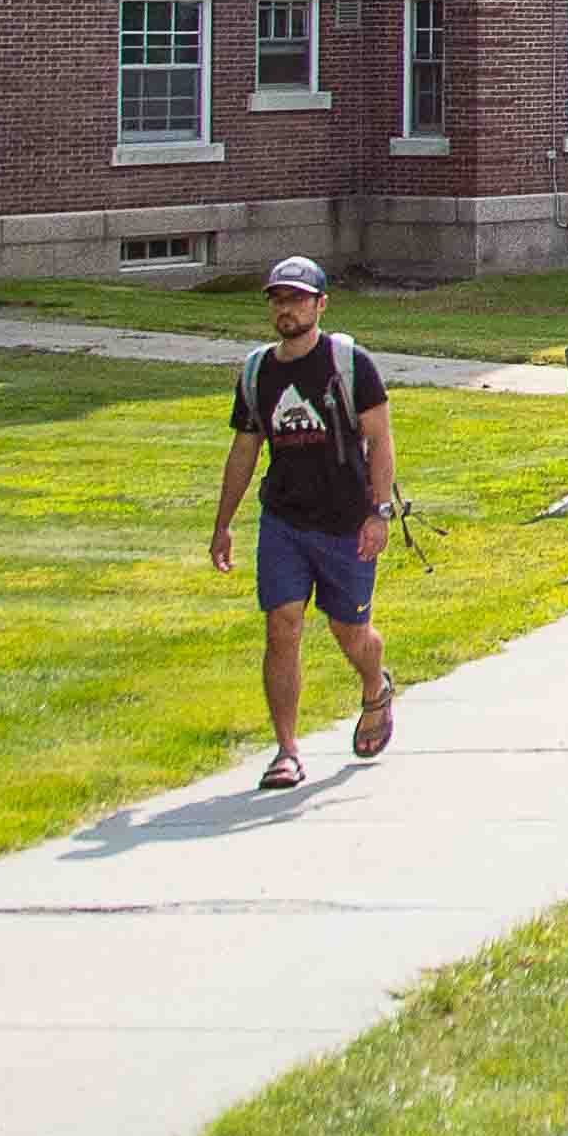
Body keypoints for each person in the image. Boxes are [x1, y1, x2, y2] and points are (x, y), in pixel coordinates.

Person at [205, 254, 396, 790]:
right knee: (281, 626)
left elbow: (380, 440)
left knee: (351, 633)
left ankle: (375, 687)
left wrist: (378, 513)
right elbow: (244, 449)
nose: (286, 309)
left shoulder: (350, 363)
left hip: (345, 521)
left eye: (297, 299)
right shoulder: (258, 372)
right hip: (284, 521)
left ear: (321, 304)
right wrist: (223, 524)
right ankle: (286, 751)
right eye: (278, 299)